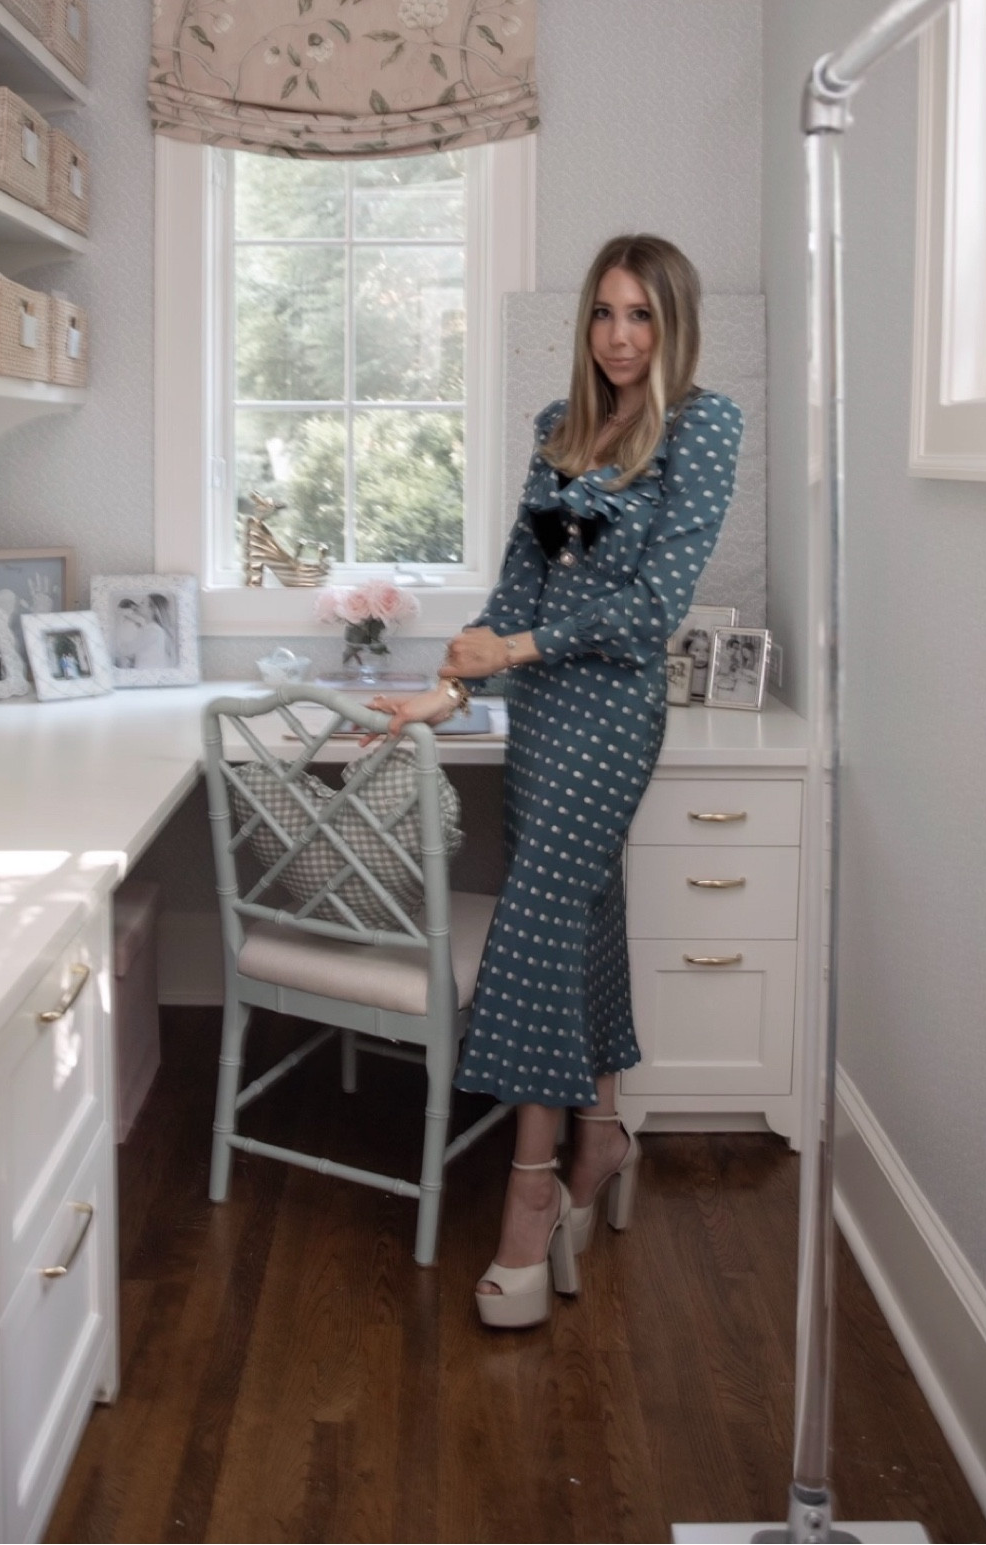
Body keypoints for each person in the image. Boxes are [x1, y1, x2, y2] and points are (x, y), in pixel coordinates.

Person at [369, 233, 741, 1328]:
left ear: (673, 326)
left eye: (642, 317)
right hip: (536, 716)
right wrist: (448, 690)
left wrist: (516, 654)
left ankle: (529, 1192)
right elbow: (516, 583)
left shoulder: (703, 425)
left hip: (614, 711)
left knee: (533, 917)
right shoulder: (558, 429)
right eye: (605, 314)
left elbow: (652, 606)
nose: (621, 338)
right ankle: (604, 1133)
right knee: (582, 910)